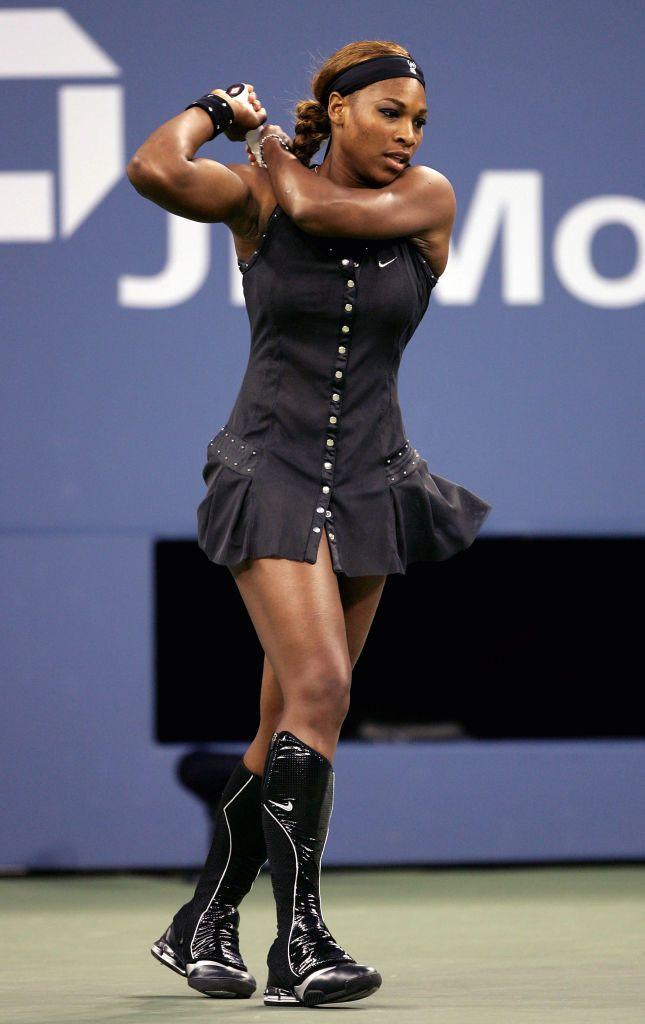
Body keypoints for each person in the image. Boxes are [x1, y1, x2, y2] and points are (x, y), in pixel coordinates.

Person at [127, 39, 492, 1008]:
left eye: (419, 120)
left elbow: (322, 210)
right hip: (271, 470)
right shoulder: (256, 201)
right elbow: (154, 168)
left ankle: (203, 918)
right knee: (322, 687)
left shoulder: (426, 200)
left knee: (287, 717)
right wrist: (217, 110)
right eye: (389, 113)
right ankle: (301, 945)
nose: (409, 135)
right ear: (337, 110)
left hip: (374, 481)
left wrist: (269, 152)